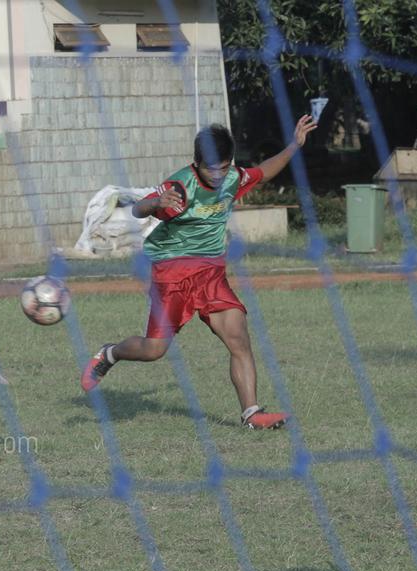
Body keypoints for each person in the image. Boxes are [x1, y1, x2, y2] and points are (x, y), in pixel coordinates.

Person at [80, 117, 317, 429]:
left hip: (210, 275)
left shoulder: (233, 176)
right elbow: (137, 211)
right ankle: (109, 354)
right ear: (196, 163)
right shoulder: (179, 187)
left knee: (239, 339)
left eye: (223, 167)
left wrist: (294, 145)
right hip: (172, 276)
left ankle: (251, 414)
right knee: (154, 350)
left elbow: (263, 172)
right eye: (210, 169)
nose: (218, 175)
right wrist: (154, 203)